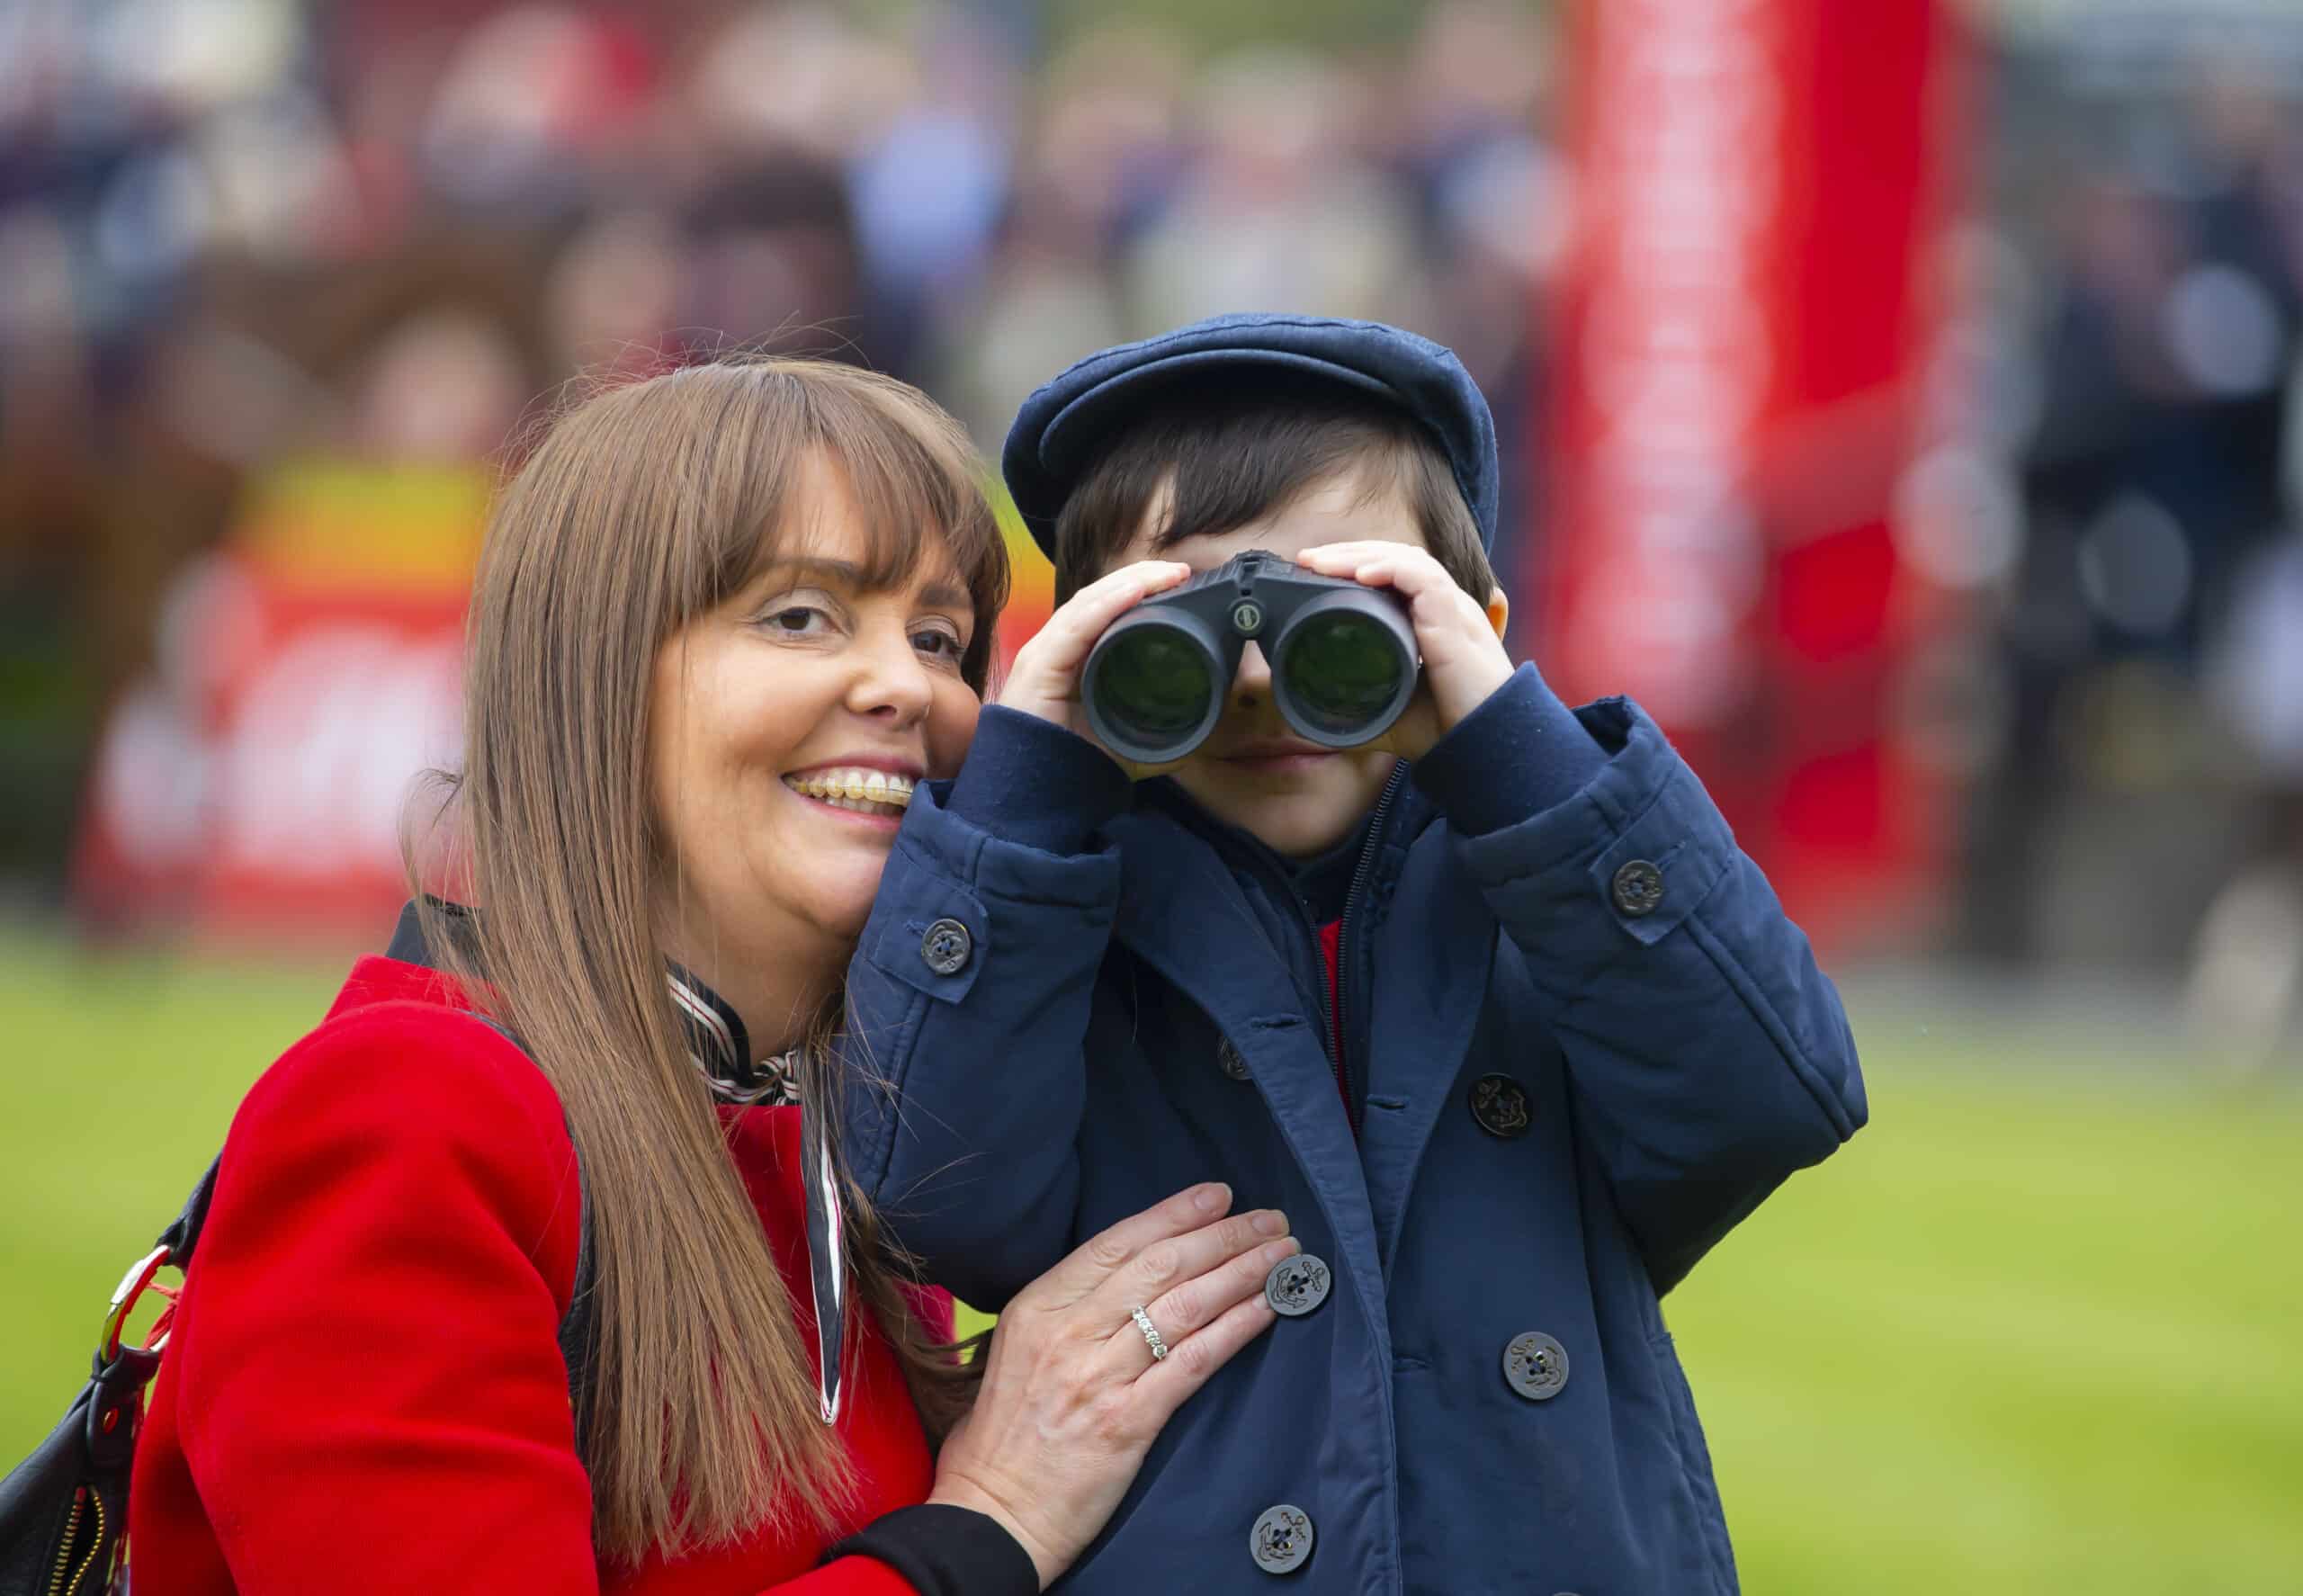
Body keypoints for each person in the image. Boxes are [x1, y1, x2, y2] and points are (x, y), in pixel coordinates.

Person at [125, 360, 1298, 1595]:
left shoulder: (851, 1134)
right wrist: (989, 1521)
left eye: (942, 637)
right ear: (599, 675)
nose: (909, 684)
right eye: (800, 615)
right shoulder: (412, 1113)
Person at [838, 314, 1868, 1592]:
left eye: (1349, 616)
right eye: (1188, 625)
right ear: (1091, 646)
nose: (1264, 674)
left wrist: (1518, 755)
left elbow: (1767, 1094)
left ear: (1469, 624)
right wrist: (1029, 783)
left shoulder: (1553, 897)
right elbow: (935, 1202)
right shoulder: (1058, 916)